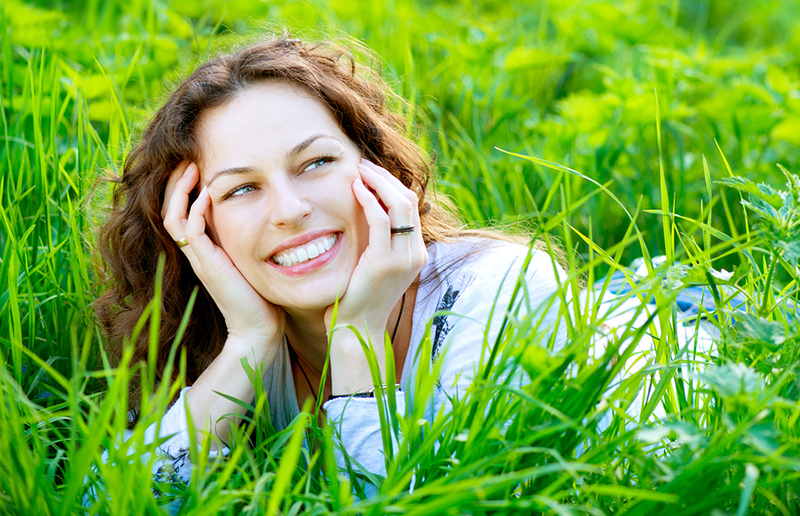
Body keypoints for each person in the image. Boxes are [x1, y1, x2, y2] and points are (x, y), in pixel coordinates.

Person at [93, 34, 566, 504]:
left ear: (377, 168)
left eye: (316, 162)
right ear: (196, 224)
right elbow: (102, 505)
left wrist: (357, 332)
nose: (290, 209)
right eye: (241, 189)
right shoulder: (210, 338)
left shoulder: (507, 294)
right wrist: (249, 342)